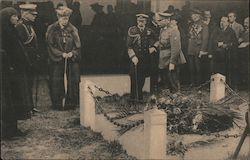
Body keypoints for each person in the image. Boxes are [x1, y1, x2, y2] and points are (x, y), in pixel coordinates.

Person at [0, 7, 32, 138]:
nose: (16, 18)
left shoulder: (13, 30)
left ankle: (14, 128)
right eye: (13, 16)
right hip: (7, 73)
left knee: (17, 99)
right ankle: (8, 131)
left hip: (17, 72)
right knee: (8, 101)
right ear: (7, 18)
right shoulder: (3, 33)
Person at [46, 6, 81, 110]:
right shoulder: (52, 29)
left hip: (70, 60)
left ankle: (70, 103)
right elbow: (50, 45)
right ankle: (57, 103)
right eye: (62, 18)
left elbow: (78, 46)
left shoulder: (73, 29)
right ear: (58, 17)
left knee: (72, 80)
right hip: (57, 60)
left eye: (67, 18)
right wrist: (60, 54)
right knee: (56, 80)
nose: (65, 20)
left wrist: (73, 53)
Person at [15, 3, 40, 113]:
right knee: (24, 84)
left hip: (31, 60)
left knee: (29, 82)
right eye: (32, 14)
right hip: (24, 60)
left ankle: (30, 106)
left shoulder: (29, 26)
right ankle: (26, 107)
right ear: (25, 14)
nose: (35, 16)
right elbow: (20, 46)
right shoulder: (20, 26)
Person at [153, 13, 186, 92]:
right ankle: (168, 100)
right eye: (157, 20)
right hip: (163, 59)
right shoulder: (162, 30)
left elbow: (176, 48)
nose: (158, 22)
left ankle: (176, 100)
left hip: (171, 59)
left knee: (173, 81)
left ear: (167, 20)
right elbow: (162, 42)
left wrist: (172, 62)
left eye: (160, 20)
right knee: (166, 81)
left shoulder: (173, 30)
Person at [127, 14, 157, 101]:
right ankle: (133, 97)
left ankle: (139, 96)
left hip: (146, 58)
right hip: (135, 58)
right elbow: (129, 46)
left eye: (143, 21)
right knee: (134, 77)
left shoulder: (149, 31)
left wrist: (153, 47)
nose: (141, 23)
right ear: (137, 21)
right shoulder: (132, 31)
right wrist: (133, 57)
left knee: (142, 77)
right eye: (139, 21)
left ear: (146, 22)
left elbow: (158, 39)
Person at [208, 16, 238, 81]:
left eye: (224, 22)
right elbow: (211, 41)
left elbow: (235, 43)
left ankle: (227, 86)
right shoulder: (215, 30)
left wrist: (226, 45)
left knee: (226, 71)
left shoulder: (231, 31)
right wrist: (210, 53)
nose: (221, 23)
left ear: (227, 23)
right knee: (216, 72)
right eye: (221, 21)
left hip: (227, 56)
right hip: (216, 55)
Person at [187, 9, 209, 87]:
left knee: (198, 68)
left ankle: (199, 84)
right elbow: (189, 36)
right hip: (191, 49)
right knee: (191, 67)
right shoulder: (191, 25)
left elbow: (205, 39)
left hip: (198, 49)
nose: (194, 17)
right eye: (193, 15)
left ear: (199, 16)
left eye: (196, 15)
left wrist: (202, 50)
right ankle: (193, 83)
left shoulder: (204, 25)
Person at [228, 11, 244, 90]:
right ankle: (229, 85)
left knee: (235, 67)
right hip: (228, 49)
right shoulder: (227, 25)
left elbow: (243, 36)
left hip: (236, 49)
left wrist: (237, 41)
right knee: (229, 67)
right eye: (228, 16)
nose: (229, 18)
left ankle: (236, 86)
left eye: (231, 16)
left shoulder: (239, 26)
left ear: (235, 17)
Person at [147, 12, 160, 93]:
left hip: (159, 49)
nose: (159, 18)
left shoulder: (159, 26)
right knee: (153, 68)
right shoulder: (149, 26)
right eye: (157, 16)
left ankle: (156, 85)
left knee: (158, 68)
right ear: (153, 18)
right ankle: (152, 87)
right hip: (152, 50)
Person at [238, 17, 249, 88]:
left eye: (247, 23)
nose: (245, 24)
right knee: (243, 68)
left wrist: (248, 43)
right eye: (244, 23)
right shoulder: (243, 32)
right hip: (243, 53)